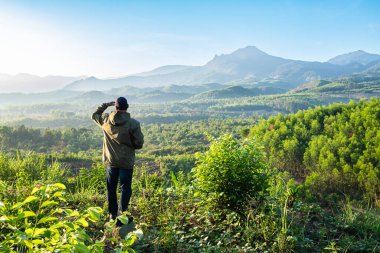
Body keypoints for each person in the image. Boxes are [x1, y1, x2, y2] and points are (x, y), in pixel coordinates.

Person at [92, 97, 144, 225]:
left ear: (115, 107)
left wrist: (104, 105)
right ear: (127, 107)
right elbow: (139, 144)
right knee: (125, 188)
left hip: (111, 161)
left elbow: (94, 115)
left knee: (111, 188)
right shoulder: (133, 124)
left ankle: (112, 215)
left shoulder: (106, 120)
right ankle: (123, 216)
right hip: (126, 161)